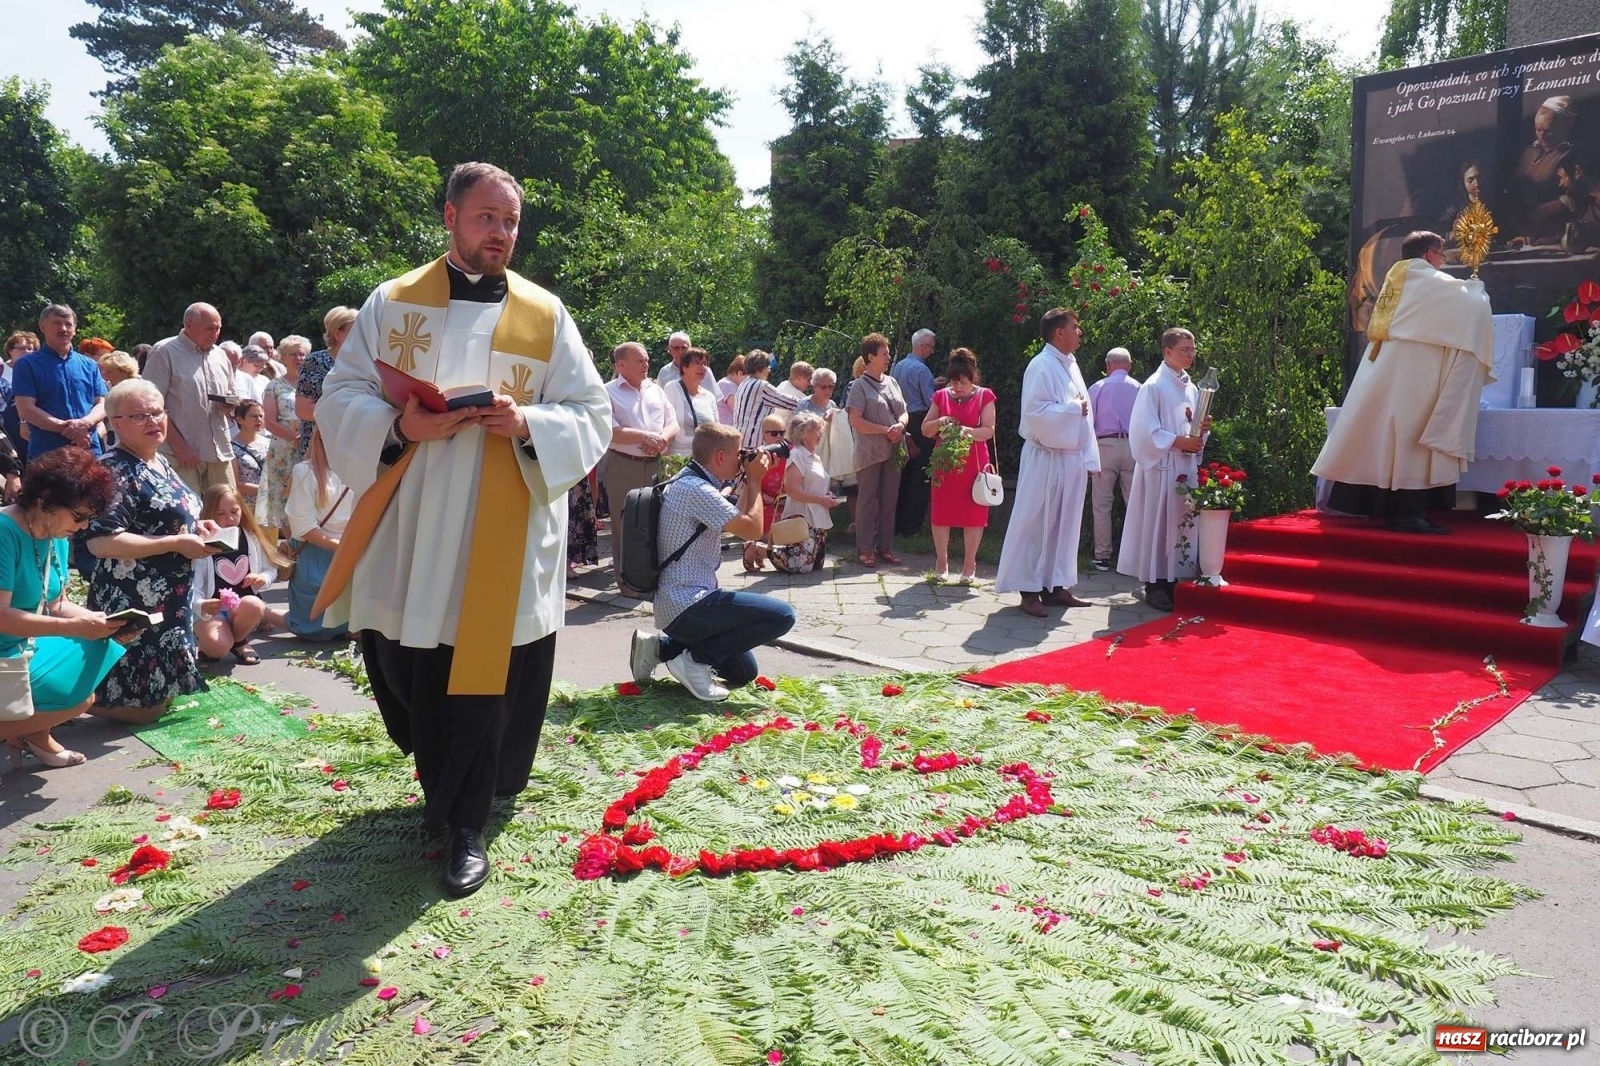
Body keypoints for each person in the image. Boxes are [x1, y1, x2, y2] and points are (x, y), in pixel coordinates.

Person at [315, 161, 610, 897]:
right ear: (449, 217)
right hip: (412, 528)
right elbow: (341, 394)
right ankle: (447, 776)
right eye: (486, 218)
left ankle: (464, 823)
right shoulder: (393, 302)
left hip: (502, 528)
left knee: (481, 675)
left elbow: (591, 413)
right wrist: (401, 423)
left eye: (509, 222)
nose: (500, 234)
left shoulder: (545, 314)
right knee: (404, 670)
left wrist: (528, 421)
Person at [1313, 231, 1495, 534]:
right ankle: (1407, 515)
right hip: (1414, 370)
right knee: (1410, 438)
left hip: (1385, 366)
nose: (1443, 262)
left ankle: (1378, 506)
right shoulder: (1424, 277)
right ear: (1428, 254)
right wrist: (1477, 288)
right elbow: (1469, 302)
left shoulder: (1396, 277)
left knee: (1385, 437)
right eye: (1442, 255)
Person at [82, 379, 221, 725]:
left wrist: (197, 528)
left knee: (162, 698)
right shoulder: (113, 469)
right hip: (132, 598)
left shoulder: (158, 460)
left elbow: (170, 515)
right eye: (140, 415)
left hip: (170, 596)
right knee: (145, 711)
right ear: (115, 423)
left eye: (157, 412)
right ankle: (61, 709)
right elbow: (100, 542)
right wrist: (174, 543)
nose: (153, 421)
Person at [630, 422, 795, 700]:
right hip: (689, 605)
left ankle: (662, 648)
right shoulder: (697, 490)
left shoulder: (689, 480)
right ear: (720, 457)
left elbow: (738, 521)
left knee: (743, 671)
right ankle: (693, 661)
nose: (742, 458)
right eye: (737, 454)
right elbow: (752, 530)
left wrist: (747, 479)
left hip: (677, 605)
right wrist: (755, 479)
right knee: (783, 615)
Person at [0, 448, 127, 770]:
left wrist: (102, 622)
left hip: (20, 645)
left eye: (90, 518)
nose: (83, 526)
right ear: (44, 499)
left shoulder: (55, 532)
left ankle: (32, 735)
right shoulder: (3, 531)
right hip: (8, 646)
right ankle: (26, 733)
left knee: (89, 672)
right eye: (79, 515)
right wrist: (72, 628)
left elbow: (56, 603)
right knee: (77, 697)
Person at [995, 308, 1100, 617]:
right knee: (1036, 523)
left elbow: (1087, 415)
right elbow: (1035, 413)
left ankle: (1054, 586)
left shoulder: (1070, 365)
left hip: (1069, 458)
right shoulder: (1041, 365)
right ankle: (1028, 590)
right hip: (1046, 457)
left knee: (1064, 525)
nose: (1080, 332)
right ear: (1059, 333)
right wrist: (1071, 409)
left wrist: (1088, 457)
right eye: (1075, 327)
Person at [1118, 329, 1208, 612]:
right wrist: (1179, 441)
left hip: (1184, 465)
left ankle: (1176, 578)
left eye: (1192, 349)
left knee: (1181, 523)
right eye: (1184, 349)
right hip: (1161, 467)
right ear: (1167, 352)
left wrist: (1200, 433)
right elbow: (1144, 432)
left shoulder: (1192, 389)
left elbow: (1191, 429)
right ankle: (1155, 584)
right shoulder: (1153, 386)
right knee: (1159, 525)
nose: (1190, 354)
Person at [605, 341, 678, 591]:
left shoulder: (655, 390)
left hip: (656, 464)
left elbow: (672, 423)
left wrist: (661, 440)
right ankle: (627, 582)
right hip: (624, 464)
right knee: (625, 524)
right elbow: (610, 431)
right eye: (640, 360)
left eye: (646, 359)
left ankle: (652, 578)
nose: (646, 364)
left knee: (657, 520)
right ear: (621, 365)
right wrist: (644, 437)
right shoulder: (606, 392)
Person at [143, 302, 237, 493]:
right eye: (209, 328)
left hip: (219, 451)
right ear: (189, 325)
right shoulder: (164, 352)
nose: (215, 334)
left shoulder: (220, 355)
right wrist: (180, 447)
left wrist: (231, 404)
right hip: (180, 454)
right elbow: (150, 407)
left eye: (218, 328)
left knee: (227, 515)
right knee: (186, 517)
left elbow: (231, 395)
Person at [922, 349, 996, 584]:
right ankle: (941, 562)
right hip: (945, 463)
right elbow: (925, 429)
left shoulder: (985, 396)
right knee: (941, 512)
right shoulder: (941, 396)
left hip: (974, 463)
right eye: (954, 382)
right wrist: (941, 421)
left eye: (962, 382)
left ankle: (969, 564)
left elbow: (988, 431)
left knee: (973, 513)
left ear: (972, 378)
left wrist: (967, 432)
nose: (958, 388)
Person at [193, 483, 287, 664]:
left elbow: (270, 568)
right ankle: (210, 644)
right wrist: (201, 604)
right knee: (217, 649)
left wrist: (263, 578)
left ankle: (238, 640)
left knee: (254, 604)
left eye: (234, 511)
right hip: (213, 610)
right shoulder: (201, 544)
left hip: (242, 608)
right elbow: (192, 585)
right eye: (221, 514)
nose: (229, 518)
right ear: (209, 514)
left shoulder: (250, 537)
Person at [845, 333, 908, 568]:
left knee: (890, 500)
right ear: (870, 357)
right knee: (868, 500)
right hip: (869, 453)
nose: (889, 357)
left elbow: (904, 411)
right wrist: (885, 430)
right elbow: (856, 421)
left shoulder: (892, 382)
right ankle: (865, 548)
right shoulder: (859, 386)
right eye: (885, 353)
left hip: (893, 450)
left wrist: (900, 425)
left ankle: (885, 546)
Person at [13, 304, 107, 459]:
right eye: (56, 323)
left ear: (75, 329)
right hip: (48, 453)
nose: (63, 329)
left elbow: (102, 403)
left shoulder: (89, 365)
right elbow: (26, 410)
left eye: (68, 324)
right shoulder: (27, 365)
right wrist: (69, 429)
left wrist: (84, 423)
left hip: (88, 450)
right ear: (42, 327)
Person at [284, 430, 351, 641]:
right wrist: (344, 548)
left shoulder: (362, 470)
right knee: (315, 630)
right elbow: (304, 528)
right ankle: (264, 613)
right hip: (316, 552)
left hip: (351, 551)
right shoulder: (305, 471)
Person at [1086, 346, 1142, 572]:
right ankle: (1137, 556)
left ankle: (1102, 556)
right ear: (1129, 365)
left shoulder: (1098, 387)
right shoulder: (1140, 388)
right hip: (1132, 446)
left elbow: (1087, 422)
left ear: (1107, 366)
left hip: (1104, 446)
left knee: (1101, 505)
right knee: (1135, 504)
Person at [771, 412, 837, 574]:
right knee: (799, 567)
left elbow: (814, 485)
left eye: (819, 429)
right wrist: (821, 500)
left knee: (815, 566)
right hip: (803, 518)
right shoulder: (797, 455)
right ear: (801, 433)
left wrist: (826, 495)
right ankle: (757, 550)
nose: (819, 432)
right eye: (815, 429)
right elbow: (793, 491)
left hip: (817, 519)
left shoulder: (814, 457)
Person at [1509, 96, 1577, 242]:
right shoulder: (1529, 151)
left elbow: (1574, 201)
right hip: (1517, 234)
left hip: (1548, 237)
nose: (1541, 135)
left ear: (1567, 125)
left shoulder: (1571, 155)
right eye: (1537, 129)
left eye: (1547, 130)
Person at [295, 306, 358, 459]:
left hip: (355, 448)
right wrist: (348, 412)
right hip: (319, 451)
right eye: (357, 329)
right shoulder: (314, 362)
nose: (363, 334)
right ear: (338, 334)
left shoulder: (364, 364)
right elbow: (303, 410)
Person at [260, 335, 307, 534]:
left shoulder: (313, 384)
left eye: (303, 354)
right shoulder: (274, 386)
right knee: (285, 499)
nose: (299, 358)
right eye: (293, 354)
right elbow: (269, 422)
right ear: (283, 358)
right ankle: (290, 547)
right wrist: (295, 438)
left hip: (312, 447)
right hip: (284, 451)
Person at [892, 328, 937, 537]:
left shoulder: (898, 367)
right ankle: (912, 528)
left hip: (901, 421)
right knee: (920, 474)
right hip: (920, 421)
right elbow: (930, 401)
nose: (932, 351)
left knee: (901, 474)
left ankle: (895, 523)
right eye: (931, 347)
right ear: (923, 346)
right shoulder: (922, 370)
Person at [742, 413, 789, 572]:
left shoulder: (787, 453)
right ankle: (752, 548)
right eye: (774, 433)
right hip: (764, 500)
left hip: (782, 500)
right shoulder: (758, 455)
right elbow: (750, 484)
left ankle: (757, 551)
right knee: (765, 531)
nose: (779, 437)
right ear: (764, 435)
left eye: (782, 433)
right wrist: (766, 497)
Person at [731, 350, 800, 448]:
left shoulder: (744, 383)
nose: (769, 370)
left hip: (740, 441)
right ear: (760, 368)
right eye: (767, 366)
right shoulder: (761, 385)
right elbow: (789, 402)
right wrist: (811, 402)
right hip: (754, 444)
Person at [663, 347, 720, 456]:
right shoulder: (672, 388)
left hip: (704, 458)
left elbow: (716, 430)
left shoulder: (709, 397)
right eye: (697, 363)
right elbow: (664, 422)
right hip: (678, 457)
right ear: (684, 367)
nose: (702, 367)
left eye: (704, 363)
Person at [230, 400, 270, 505]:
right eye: (253, 416)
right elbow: (235, 483)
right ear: (239, 419)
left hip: (269, 504)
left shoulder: (269, 443)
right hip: (248, 505)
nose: (259, 420)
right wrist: (267, 490)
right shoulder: (231, 448)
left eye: (261, 416)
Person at [715, 353, 746, 425]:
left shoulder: (728, 384)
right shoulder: (726, 384)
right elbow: (738, 410)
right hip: (725, 431)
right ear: (740, 373)